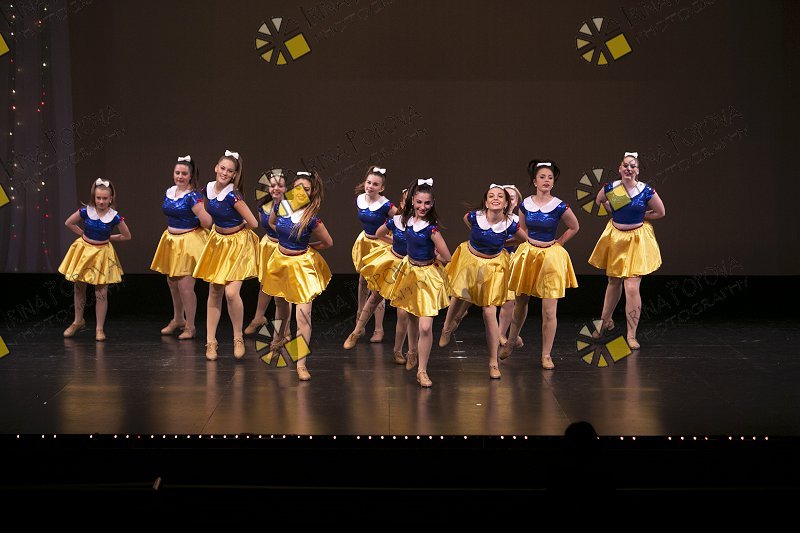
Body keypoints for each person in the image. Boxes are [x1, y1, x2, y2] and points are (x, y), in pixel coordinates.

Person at [438, 184, 524, 379]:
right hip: (470, 260)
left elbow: (523, 239)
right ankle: (447, 328)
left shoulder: (510, 224)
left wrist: (504, 242)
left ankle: (493, 362)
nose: (495, 198)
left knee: (489, 312)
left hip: (493, 266)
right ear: (485, 202)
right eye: (491, 196)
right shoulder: (474, 217)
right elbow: (467, 221)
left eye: (500, 196)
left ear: (506, 203)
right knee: (459, 294)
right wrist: (480, 238)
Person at [501, 160, 580, 370]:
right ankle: (511, 341)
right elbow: (522, 231)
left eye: (550, 178)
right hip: (529, 255)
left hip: (550, 257)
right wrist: (507, 243)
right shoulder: (526, 204)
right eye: (542, 177)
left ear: (553, 182)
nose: (546, 180)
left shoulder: (559, 205)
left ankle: (546, 354)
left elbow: (574, 226)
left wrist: (559, 242)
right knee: (520, 302)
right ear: (535, 181)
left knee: (549, 311)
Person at [587, 151, 665, 349]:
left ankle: (631, 334)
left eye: (633, 166)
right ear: (620, 168)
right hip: (616, 238)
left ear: (637, 171)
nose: (629, 169)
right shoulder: (612, 188)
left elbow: (660, 212)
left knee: (631, 287)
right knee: (613, 282)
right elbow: (599, 201)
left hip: (636, 240)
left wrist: (643, 215)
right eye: (625, 165)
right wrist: (613, 209)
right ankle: (604, 323)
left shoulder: (645, 190)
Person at [262, 171, 333, 381]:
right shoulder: (280, 207)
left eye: (306, 189)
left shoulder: (311, 218)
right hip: (280, 262)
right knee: (281, 306)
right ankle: (278, 340)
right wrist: (286, 241)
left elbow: (328, 242)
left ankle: (301, 363)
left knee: (303, 315)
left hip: (301, 266)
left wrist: (307, 247)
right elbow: (272, 224)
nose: (301, 192)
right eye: (297, 188)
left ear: (312, 193)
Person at [192, 150, 259, 361]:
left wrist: (238, 228)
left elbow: (254, 223)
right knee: (214, 291)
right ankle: (211, 341)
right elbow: (208, 212)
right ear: (216, 168)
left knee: (231, 293)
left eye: (230, 171)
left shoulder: (233, 195)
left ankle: (238, 337)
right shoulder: (207, 189)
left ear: (234, 175)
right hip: (218, 242)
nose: (225, 173)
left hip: (237, 244)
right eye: (222, 168)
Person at [387, 178, 452, 387]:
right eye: (419, 202)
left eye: (427, 203)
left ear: (432, 204)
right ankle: (412, 350)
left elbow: (447, 257)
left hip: (428, 277)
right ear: (413, 201)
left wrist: (435, 257)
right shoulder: (405, 221)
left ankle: (422, 371)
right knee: (411, 316)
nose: (423, 207)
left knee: (425, 326)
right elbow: (385, 234)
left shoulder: (432, 229)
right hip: (410, 272)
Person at [344, 188, 415, 366]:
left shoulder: (424, 225)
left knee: (403, 312)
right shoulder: (396, 220)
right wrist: (395, 242)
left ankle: (398, 350)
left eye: (413, 201)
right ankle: (356, 331)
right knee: (375, 296)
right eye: (406, 201)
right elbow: (379, 233)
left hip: (410, 267)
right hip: (393, 262)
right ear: (402, 203)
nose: (410, 205)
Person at [59, 178, 131, 341]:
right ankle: (78, 321)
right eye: (98, 198)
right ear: (94, 197)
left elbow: (127, 236)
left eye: (105, 198)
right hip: (84, 251)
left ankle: (99, 328)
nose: (101, 201)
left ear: (111, 198)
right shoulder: (86, 211)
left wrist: (109, 238)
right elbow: (69, 223)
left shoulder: (114, 217)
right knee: (79, 287)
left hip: (101, 254)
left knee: (101, 292)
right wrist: (83, 235)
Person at [150, 155, 212, 340]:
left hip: (188, 243)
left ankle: (190, 327)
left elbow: (207, 221)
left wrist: (198, 215)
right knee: (173, 283)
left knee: (185, 287)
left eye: (184, 174)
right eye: (177, 173)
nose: (180, 176)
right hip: (171, 242)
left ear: (190, 175)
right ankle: (178, 319)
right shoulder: (170, 191)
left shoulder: (193, 196)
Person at [349, 165, 397, 345]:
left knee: (376, 285)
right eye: (368, 182)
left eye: (375, 184)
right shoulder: (360, 199)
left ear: (381, 188)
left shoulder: (386, 205)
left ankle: (378, 328)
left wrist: (393, 240)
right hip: (365, 242)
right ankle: (359, 322)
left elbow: (400, 221)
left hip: (380, 244)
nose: (370, 186)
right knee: (362, 281)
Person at [244, 168, 292, 336]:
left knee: (284, 291)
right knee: (265, 285)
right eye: (272, 185)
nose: (276, 188)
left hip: (284, 248)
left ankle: (285, 329)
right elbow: (264, 225)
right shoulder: (263, 206)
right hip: (268, 246)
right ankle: (258, 317)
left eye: (280, 185)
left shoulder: (291, 207)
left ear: (286, 188)